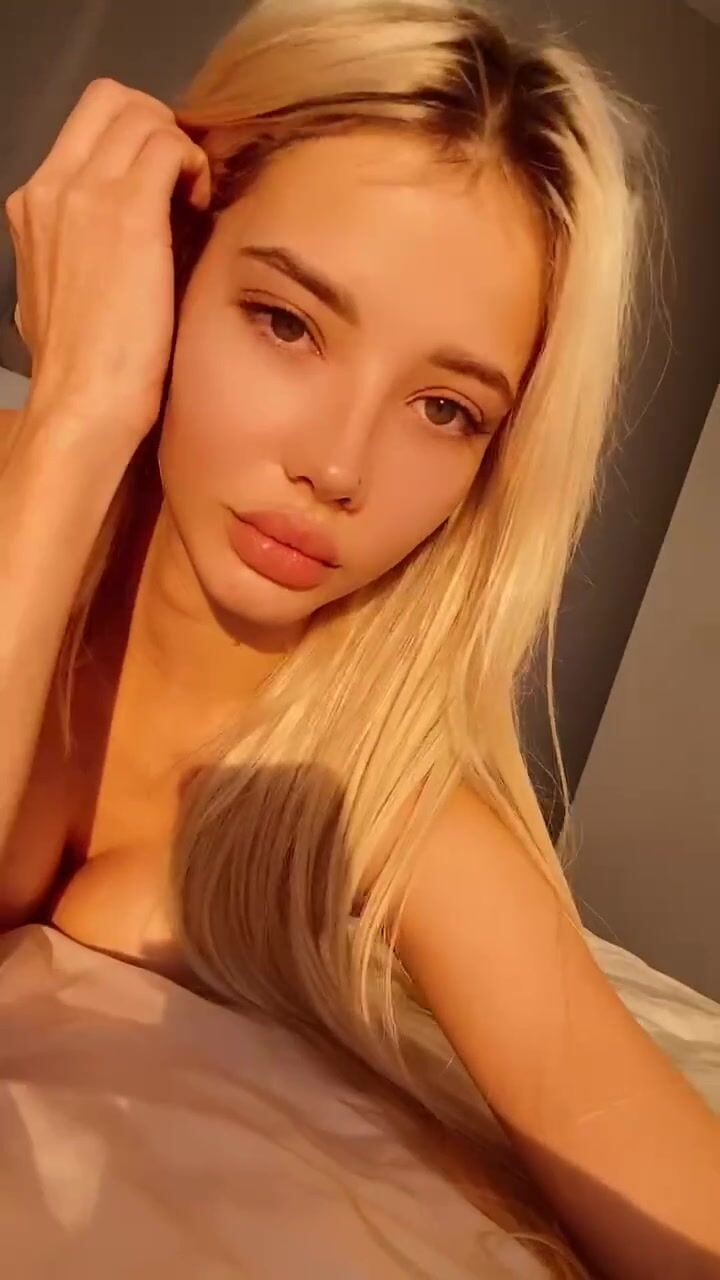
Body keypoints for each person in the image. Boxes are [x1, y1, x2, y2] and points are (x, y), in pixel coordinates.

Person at [1, 1, 718, 1276]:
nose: (336, 465)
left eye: (445, 408)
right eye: (287, 322)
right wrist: (74, 417)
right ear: (173, 255)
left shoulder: (387, 803)